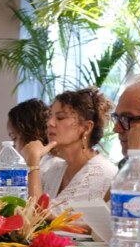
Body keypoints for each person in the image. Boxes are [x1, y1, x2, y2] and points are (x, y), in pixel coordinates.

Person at [22, 87, 117, 216]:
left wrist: (33, 160)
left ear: (86, 127)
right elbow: (23, 208)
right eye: (50, 116)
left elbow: (39, 216)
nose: (50, 123)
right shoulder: (55, 167)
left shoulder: (99, 172)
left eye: (60, 117)